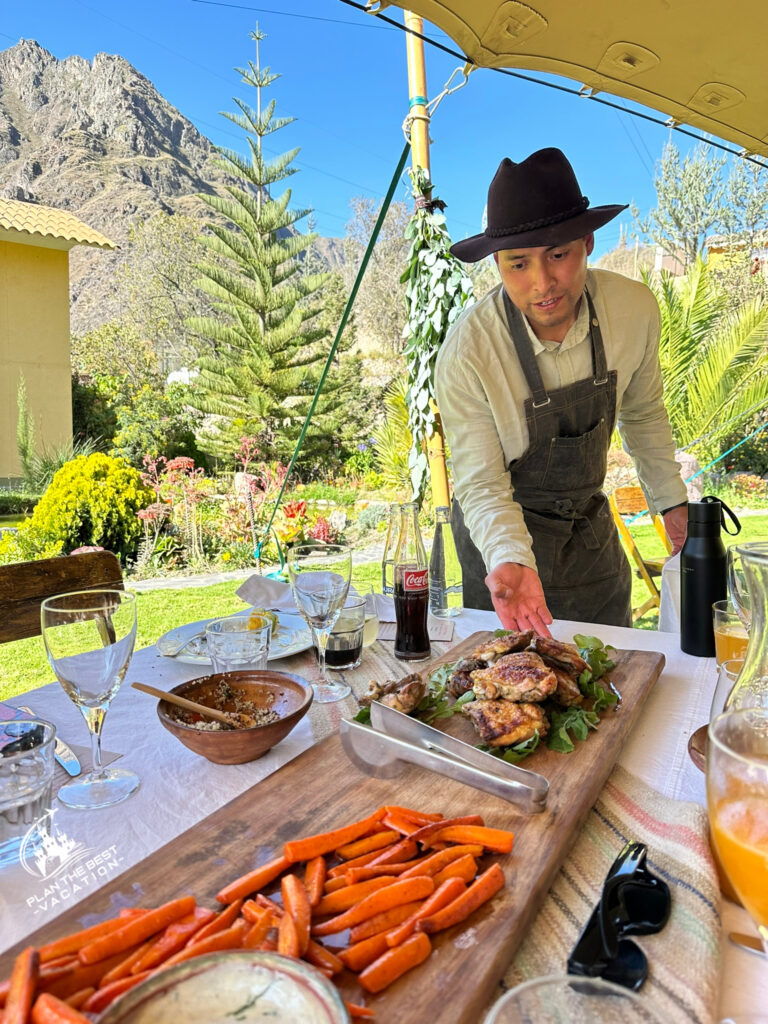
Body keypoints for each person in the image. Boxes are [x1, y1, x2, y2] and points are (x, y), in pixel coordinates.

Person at [434, 148, 689, 635]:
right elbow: (482, 483)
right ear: (495, 265)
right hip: (500, 553)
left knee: (613, 685)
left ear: (587, 240)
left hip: (590, 544)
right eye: (517, 265)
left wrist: (672, 504)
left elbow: (643, 413)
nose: (542, 284)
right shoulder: (468, 352)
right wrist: (511, 557)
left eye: (558, 255)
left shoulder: (634, 310)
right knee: (506, 698)